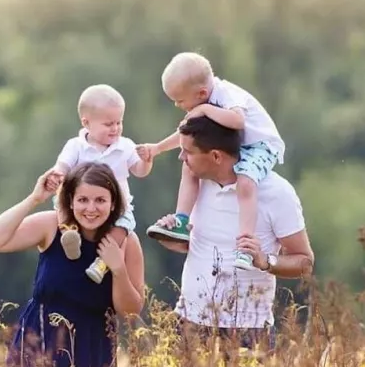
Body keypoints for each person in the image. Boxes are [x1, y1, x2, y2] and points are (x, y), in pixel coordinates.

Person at [0, 162, 147, 367]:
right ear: (70, 201)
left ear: (113, 203)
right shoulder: (52, 226)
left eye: (100, 200)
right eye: (82, 200)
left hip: (92, 348)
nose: (91, 209)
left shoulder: (125, 240)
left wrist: (118, 269)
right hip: (38, 341)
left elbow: (131, 311)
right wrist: (34, 198)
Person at [148, 115, 313, 346]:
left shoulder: (276, 192)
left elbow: (304, 262)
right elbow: (198, 247)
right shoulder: (196, 186)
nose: (181, 157)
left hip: (248, 331)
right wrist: (172, 237)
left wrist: (264, 261)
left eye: (188, 152)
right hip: (188, 324)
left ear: (216, 156)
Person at [137, 52, 287, 272]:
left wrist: (205, 110)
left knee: (245, 182)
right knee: (189, 165)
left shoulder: (226, 95)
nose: (178, 105)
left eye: (180, 100)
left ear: (202, 93)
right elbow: (185, 135)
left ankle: (245, 244)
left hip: (259, 146)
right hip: (235, 145)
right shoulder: (203, 101)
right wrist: (157, 148)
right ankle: (181, 221)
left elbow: (238, 121)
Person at [48, 83, 153, 281]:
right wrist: (57, 175)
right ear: (86, 123)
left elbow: (139, 171)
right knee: (60, 201)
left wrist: (147, 161)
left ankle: (102, 263)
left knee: (123, 226)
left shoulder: (125, 146)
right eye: (108, 124)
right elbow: (62, 166)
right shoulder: (76, 146)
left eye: (119, 123)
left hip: (117, 205)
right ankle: (69, 234)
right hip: (80, 201)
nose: (115, 129)